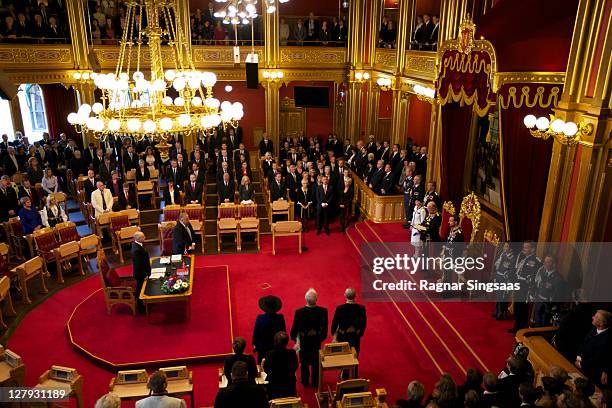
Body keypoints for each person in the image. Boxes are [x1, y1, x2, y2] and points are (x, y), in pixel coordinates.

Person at [290, 288, 328, 388]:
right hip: (316, 342)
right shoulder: (323, 311)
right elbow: (324, 330)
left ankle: (305, 381)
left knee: (304, 362)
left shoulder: (299, 312)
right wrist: (319, 338)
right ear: (316, 299)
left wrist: (296, 340)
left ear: (306, 299)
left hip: (304, 342)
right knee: (316, 362)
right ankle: (315, 382)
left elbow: (294, 330)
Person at [331, 287, 366, 378]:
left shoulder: (340, 308)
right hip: (354, 337)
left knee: (344, 356)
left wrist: (333, 333)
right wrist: (359, 333)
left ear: (345, 296)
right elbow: (363, 323)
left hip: (343, 336)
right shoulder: (361, 308)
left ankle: (344, 375)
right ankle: (354, 376)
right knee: (355, 356)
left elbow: (335, 323)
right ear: (355, 296)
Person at [509, 241, 541, 333]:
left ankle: (520, 329)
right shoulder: (523, 258)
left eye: (526, 247)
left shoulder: (535, 261)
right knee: (517, 307)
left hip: (526, 288)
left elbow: (534, 276)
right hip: (519, 285)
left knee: (522, 309)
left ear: (533, 249)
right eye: (524, 247)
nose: (524, 249)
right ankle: (516, 327)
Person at [576, 310, 611, 387]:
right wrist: (578, 356)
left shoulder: (607, 339)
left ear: (601, 324)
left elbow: (597, 359)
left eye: (596, 317)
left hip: (591, 372)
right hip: (581, 363)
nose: (592, 317)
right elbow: (583, 344)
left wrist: (580, 363)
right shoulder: (593, 329)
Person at [262, 331, 298, 399]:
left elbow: (266, 369)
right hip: (289, 386)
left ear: (275, 342)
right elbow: (295, 367)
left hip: (274, 386)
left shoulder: (269, 354)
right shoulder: (292, 353)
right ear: (287, 342)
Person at [253, 295, 287, 364]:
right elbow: (283, 333)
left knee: (263, 369)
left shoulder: (260, 318)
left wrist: (255, 345)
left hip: (263, 349)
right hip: (277, 348)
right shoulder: (280, 318)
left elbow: (256, 334)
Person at [492, 242, 515, 320]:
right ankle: (497, 311)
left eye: (507, 246)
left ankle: (502, 313)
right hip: (499, 276)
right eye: (504, 246)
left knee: (503, 297)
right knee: (498, 296)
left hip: (505, 279)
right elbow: (497, 266)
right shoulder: (502, 255)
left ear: (511, 248)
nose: (505, 248)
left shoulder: (512, 258)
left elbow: (512, 271)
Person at [132, 231, 149, 314]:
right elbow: (138, 265)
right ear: (139, 239)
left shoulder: (138, 245)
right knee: (140, 290)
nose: (145, 237)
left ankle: (145, 303)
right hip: (140, 274)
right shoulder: (136, 250)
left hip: (142, 271)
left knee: (142, 289)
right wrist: (144, 274)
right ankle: (141, 308)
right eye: (143, 236)